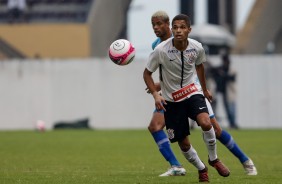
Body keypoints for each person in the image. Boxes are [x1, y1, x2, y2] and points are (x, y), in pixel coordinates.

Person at [147, 11, 257, 177]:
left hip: (192, 91)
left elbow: (195, 68)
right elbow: (165, 72)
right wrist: (158, 88)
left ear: (167, 25)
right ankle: (177, 165)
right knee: (155, 127)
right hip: (171, 95)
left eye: (159, 24)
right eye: (153, 24)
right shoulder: (158, 46)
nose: (155, 28)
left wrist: (203, 90)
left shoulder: (191, 45)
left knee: (214, 128)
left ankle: (245, 160)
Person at [212, 54, 239, 129]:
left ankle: (233, 123)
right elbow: (214, 72)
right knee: (227, 109)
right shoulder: (221, 68)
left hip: (230, 92)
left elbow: (231, 78)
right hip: (224, 92)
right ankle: (231, 123)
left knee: (231, 109)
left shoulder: (231, 69)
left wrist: (223, 74)